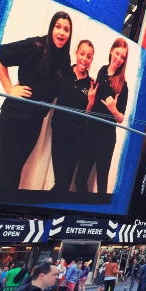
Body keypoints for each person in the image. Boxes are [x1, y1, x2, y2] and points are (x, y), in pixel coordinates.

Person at [0, 11, 72, 190]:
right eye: (58, 27)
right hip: (13, 118)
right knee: (8, 175)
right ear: (51, 28)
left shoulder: (64, 59)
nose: (61, 32)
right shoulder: (36, 45)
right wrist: (9, 89)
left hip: (35, 123)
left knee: (14, 174)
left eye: (66, 29)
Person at [74, 39, 129, 193]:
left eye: (123, 57)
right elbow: (93, 104)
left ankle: (96, 217)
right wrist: (90, 100)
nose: (119, 59)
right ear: (111, 50)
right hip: (90, 134)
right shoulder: (102, 71)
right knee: (79, 180)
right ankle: (83, 212)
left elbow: (120, 119)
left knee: (102, 186)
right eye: (117, 53)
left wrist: (113, 109)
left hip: (106, 140)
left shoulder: (123, 85)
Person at [50, 39, 94, 192]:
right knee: (61, 184)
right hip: (59, 135)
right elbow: (49, 93)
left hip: (77, 139)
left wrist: (91, 101)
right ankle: (42, 212)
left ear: (91, 60)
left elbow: (87, 114)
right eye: (82, 54)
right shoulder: (64, 73)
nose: (85, 59)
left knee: (65, 184)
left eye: (89, 56)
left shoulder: (91, 85)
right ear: (76, 53)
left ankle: (53, 215)